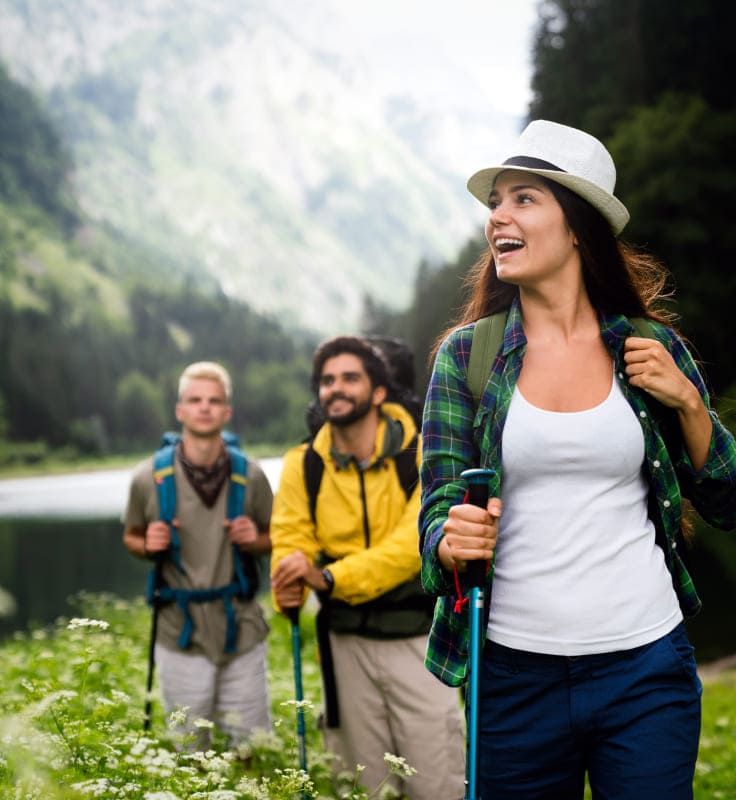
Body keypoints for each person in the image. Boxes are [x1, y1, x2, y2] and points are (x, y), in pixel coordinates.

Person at [418, 118, 736, 799]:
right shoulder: (465, 357)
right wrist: (449, 539)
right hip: (513, 677)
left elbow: (728, 500)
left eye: (523, 198)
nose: (497, 216)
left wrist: (689, 406)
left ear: (578, 229)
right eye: (495, 202)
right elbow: (436, 512)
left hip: (646, 668)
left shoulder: (652, 349)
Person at [271, 335, 465, 800]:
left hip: (419, 640)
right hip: (344, 644)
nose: (335, 388)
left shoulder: (422, 451)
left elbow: (412, 545)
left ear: (378, 391)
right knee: (361, 786)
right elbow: (290, 537)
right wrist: (287, 578)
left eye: (349, 378)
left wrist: (329, 578)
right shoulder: (304, 463)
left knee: (437, 784)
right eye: (327, 380)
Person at [122, 360, 274, 748]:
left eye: (214, 400)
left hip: (241, 627)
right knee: (189, 751)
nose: (204, 407)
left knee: (252, 747)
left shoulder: (251, 475)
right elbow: (131, 536)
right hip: (179, 632)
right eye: (195, 400)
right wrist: (148, 544)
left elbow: (277, 537)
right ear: (180, 411)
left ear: (227, 412)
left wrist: (254, 538)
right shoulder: (148, 478)